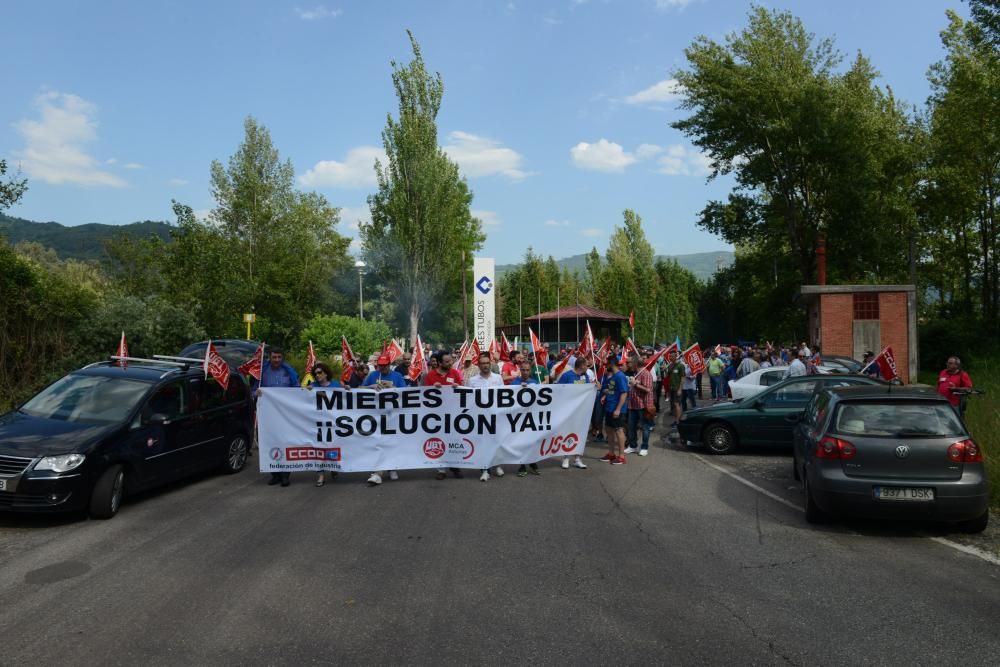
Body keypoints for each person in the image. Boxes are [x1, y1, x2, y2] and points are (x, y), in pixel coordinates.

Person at [256, 347, 299, 488]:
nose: (276, 360)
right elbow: (253, 390)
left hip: (285, 415)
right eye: (274, 357)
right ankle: (274, 474)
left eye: (279, 357)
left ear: (282, 357)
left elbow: (297, 390)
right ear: (269, 357)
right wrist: (256, 393)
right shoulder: (262, 372)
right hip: (268, 416)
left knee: (286, 442)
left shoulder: (289, 372)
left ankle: (285, 475)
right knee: (270, 441)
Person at [363, 355, 407, 486]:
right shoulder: (372, 375)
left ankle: (392, 467)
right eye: (380, 365)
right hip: (376, 414)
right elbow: (359, 388)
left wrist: (393, 389)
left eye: (385, 365)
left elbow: (406, 391)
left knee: (392, 442)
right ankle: (377, 472)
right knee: (379, 442)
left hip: (393, 414)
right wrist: (370, 386)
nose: (382, 367)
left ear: (389, 364)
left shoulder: (397, 376)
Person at [466, 352, 506, 481]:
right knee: (483, 443)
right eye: (482, 363)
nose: (485, 365)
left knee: (496, 441)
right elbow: (467, 398)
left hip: (495, 416)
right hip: (480, 417)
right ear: (478, 365)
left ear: (490, 364)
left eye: (487, 363)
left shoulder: (498, 378)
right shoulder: (472, 381)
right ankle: (484, 469)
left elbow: (504, 395)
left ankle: (497, 465)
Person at [425, 352, 465, 480]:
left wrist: (457, 387)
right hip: (437, 415)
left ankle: (455, 466)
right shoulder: (430, 375)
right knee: (439, 440)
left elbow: (463, 390)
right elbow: (423, 394)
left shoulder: (455, 373)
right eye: (447, 362)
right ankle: (441, 469)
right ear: (440, 363)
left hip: (454, 413)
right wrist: (432, 388)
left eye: (450, 361)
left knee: (454, 440)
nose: (450, 363)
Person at [306, 362, 341, 487]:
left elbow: (346, 398)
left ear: (326, 373)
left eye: (320, 372)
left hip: (333, 422)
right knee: (318, 447)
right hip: (317, 423)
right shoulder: (312, 386)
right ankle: (320, 475)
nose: (317, 375)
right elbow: (301, 397)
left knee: (332, 446)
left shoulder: (335, 385)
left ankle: (333, 467)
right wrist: (306, 391)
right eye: (315, 374)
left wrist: (347, 388)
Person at [556, 357, 590, 469]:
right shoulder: (567, 376)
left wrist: (596, 386)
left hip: (582, 411)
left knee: (581, 434)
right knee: (568, 433)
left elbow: (589, 389)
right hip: (569, 411)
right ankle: (566, 458)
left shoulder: (586, 376)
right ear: (581, 366)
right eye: (586, 365)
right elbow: (558, 389)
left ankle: (577, 459)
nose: (588, 367)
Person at [510, 361, 542, 476]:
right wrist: (518, 388)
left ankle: (533, 463)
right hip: (519, 418)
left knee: (532, 442)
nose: (525, 372)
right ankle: (522, 466)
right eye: (523, 370)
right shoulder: (514, 383)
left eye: (527, 370)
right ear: (520, 370)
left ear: (531, 370)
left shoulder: (535, 382)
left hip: (532, 417)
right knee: (521, 442)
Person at [600, 355, 629, 465]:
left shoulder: (620, 376)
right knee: (608, 430)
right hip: (609, 407)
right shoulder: (612, 377)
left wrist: (618, 409)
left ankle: (621, 457)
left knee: (619, 431)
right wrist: (605, 395)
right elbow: (613, 390)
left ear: (611, 364)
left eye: (607, 364)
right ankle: (611, 454)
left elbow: (624, 393)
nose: (606, 366)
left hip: (616, 410)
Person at [624, 354, 654, 456]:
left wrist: (636, 384)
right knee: (631, 427)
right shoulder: (635, 373)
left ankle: (644, 447)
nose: (627, 364)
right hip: (632, 405)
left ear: (635, 363)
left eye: (629, 362)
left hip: (643, 405)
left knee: (645, 427)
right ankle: (632, 446)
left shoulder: (646, 374)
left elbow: (648, 389)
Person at [663, 350, 685, 430]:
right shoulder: (671, 365)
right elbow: (667, 376)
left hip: (677, 389)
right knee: (674, 405)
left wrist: (680, 389)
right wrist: (665, 369)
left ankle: (678, 422)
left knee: (677, 405)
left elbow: (683, 378)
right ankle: (676, 420)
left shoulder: (680, 366)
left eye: (671, 356)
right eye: (669, 356)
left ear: (676, 356)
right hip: (671, 388)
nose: (670, 358)